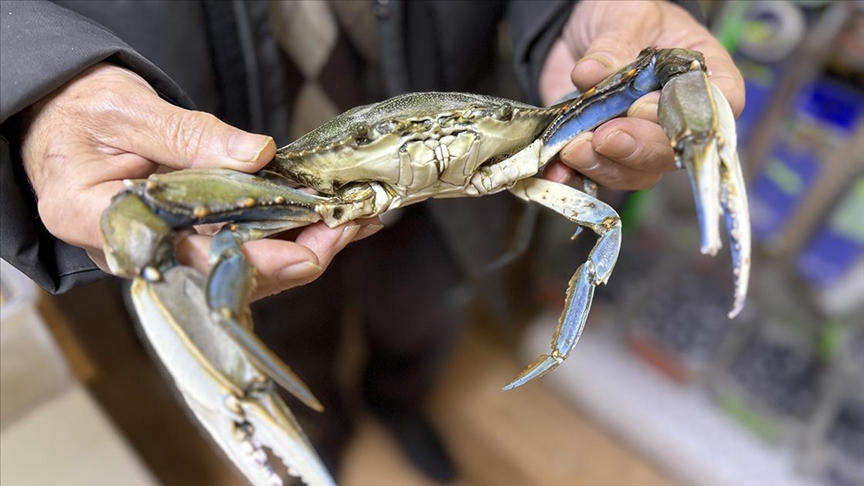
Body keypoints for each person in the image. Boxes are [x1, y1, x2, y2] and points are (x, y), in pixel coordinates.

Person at [0, 0, 743, 483]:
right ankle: (306, 441)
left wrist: (575, 12)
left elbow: (661, 66)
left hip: (471, 122)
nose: (423, 149)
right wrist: (38, 81)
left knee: (426, 308)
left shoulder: (540, 134)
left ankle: (401, 404)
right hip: (270, 163)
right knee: (260, 301)